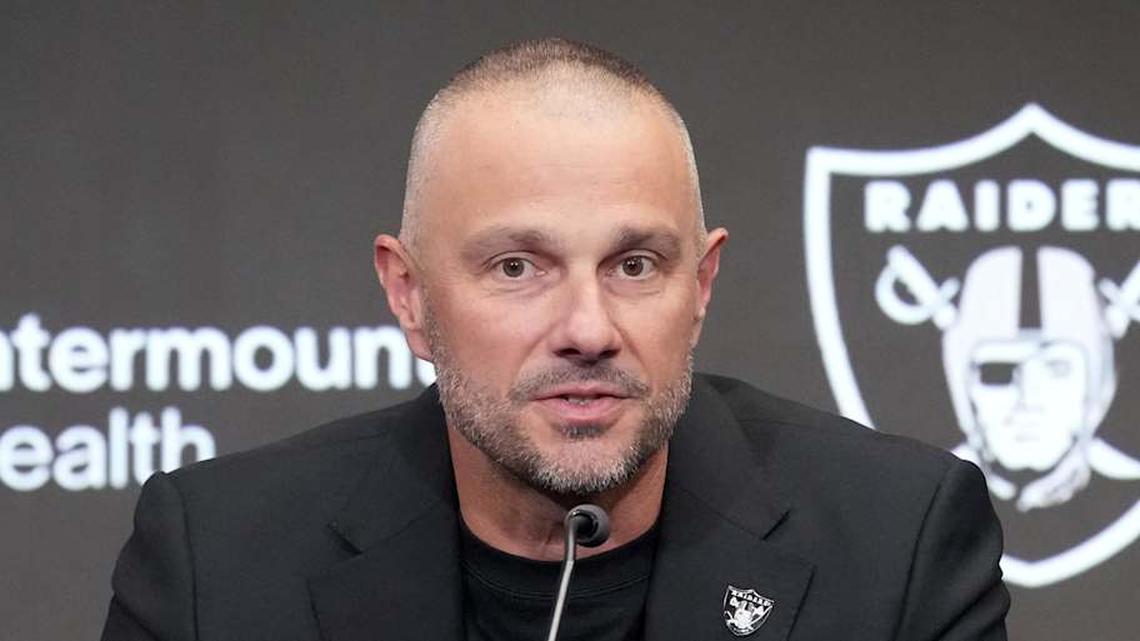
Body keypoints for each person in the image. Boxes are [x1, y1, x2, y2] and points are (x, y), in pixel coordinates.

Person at [101, 38, 1009, 641]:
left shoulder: (899, 544)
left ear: (701, 285)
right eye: (516, 268)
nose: (587, 330)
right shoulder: (213, 569)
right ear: (409, 295)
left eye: (636, 265)